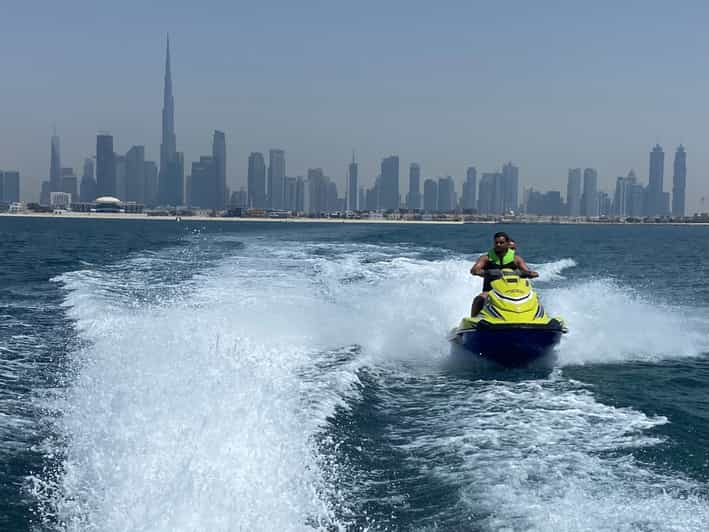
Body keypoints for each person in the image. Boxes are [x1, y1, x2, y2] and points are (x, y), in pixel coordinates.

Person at [469, 232, 538, 316]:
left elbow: (528, 271)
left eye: (501, 243)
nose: (498, 245)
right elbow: (474, 270)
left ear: (507, 244)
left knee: (534, 297)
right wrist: (488, 272)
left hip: (514, 291)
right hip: (491, 290)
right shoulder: (486, 258)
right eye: (496, 243)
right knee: (479, 299)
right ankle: (472, 321)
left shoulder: (516, 259)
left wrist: (530, 274)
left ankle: (536, 317)